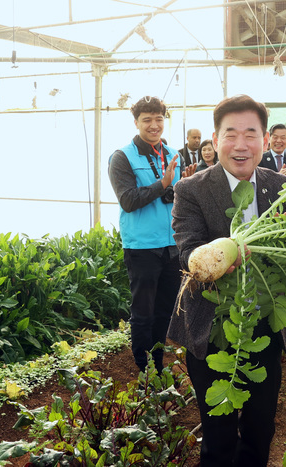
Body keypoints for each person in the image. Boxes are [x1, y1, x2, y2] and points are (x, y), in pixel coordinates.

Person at [167, 94, 286, 467]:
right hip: (212, 325)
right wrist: (218, 258)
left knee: (260, 429)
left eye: (250, 134)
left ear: (264, 140)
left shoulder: (280, 187)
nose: (241, 145)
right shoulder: (191, 189)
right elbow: (188, 250)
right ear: (215, 139)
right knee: (218, 437)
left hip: (265, 323)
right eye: (230, 134)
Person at [108, 96, 185, 373]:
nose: (154, 125)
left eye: (159, 119)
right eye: (147, 120)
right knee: (143, 311)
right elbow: (128, 200)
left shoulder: (174, 154)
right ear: (136, 122)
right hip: (141, 247)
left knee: (165, 310)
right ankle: (144, 368)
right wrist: (162, 184)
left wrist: (181, 186)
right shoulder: (122, 157)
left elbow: (177, 196)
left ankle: (158, 363)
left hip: (171, 244)